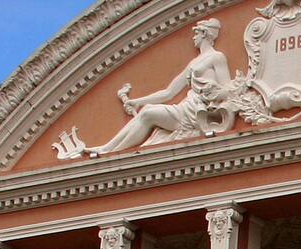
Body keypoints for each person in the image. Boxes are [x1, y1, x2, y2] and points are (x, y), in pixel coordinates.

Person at [56, 19, 234, 159]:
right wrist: (137, 102)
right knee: (147, 110)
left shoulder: (217, 57)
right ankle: (108, 148)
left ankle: (108, 150)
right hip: (185, 108)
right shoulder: (194, 63)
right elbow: (169, 92)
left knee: (148, 113)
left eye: (196, 33)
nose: (193, 37)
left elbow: (228, 89)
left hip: (196, 113)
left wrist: (213, 93)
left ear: (204, 34)